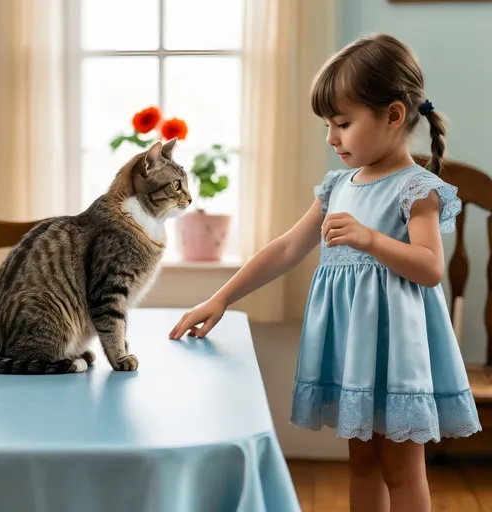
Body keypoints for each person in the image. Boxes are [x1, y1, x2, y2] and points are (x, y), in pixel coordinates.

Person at [168, 33, 482, 512]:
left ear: (393, 116)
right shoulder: (338, 186)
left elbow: (431, 268)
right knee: (361, 464)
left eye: (343, 123)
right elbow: (286, 248)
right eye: (329, 125)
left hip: (399, 356)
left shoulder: (418, 188)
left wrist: (371, 239)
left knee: (401, 468)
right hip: (356, 351)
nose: (332, 138)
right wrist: (221, 298)